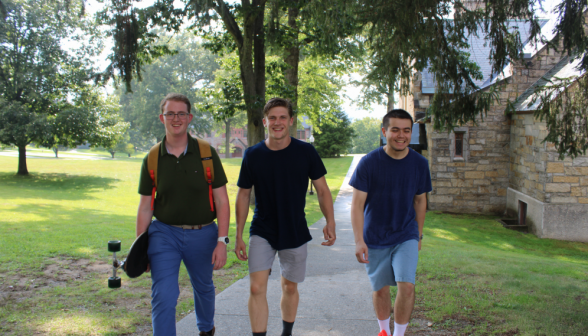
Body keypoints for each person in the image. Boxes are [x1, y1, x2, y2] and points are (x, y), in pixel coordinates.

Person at [234, 97, 337, 336]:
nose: (277, 122)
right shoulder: (252, 155)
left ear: (290, 121)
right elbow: (242, 195)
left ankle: (286, 333)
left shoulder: (306, 152)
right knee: (257, 287)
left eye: (282, 117)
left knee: (290, 287)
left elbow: (322, 189)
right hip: (262, 229)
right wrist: (238, 235)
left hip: (295, 229)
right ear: (265, 122)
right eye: (272, 118)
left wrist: (330, 222)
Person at [136, 93, 230, 336]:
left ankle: (206, 330)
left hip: (203, 233)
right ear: (162, 118)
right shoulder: (153, 158)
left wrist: (222, 241)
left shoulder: (207, 153)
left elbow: (221, 200)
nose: (175, 118)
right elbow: (145, 206)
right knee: (164, 295)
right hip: (164, 234)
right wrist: (141, 247)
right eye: (170, 113)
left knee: (204, 288)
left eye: (181, 114)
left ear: (189, 118)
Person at [349, 109, 432, 336]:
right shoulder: (368, 163)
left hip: (406, 234)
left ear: (411, 133)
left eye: (406, 130)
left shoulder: (419, 164)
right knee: (381, 288)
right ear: (384, 131)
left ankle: (399, 334)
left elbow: (420, 200)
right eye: (395, 130)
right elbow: (356, 205)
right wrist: (358, 241)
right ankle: (384, 331)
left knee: (407, 286)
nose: (401, 135)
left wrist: (419, 235)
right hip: (374, 236)